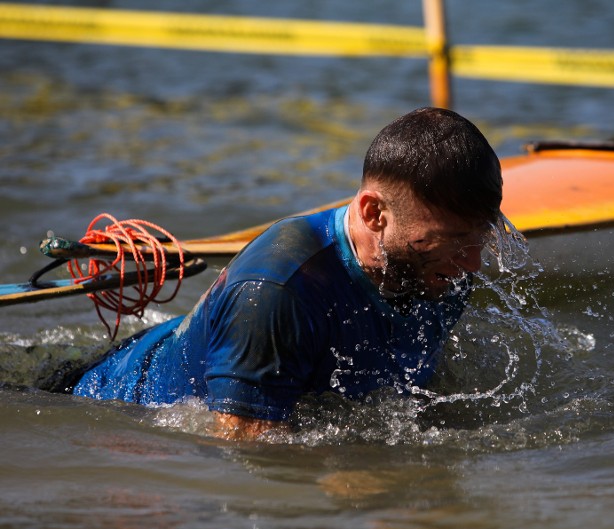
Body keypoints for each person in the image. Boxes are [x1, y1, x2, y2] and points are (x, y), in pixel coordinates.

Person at [58, 107, 504, 440]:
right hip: (108, 406)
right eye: (450, 241)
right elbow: (246, 452)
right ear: (374, 213)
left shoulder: (442, 266)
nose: (473, 264)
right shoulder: (278, 290)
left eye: (479, 239)